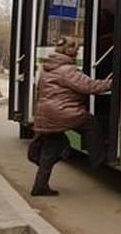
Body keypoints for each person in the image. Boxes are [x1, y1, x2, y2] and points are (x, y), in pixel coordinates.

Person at [30, 36, 111, 196]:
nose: (78, 52)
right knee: (90, 123)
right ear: (70, 51)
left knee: (51, 148)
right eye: (77, 50)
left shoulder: (47, 67)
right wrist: (112, 83)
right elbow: (89, 86)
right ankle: (98, 159)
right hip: (63, 112)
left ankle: (40, 186)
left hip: (47, 112)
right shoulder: (68, 70)